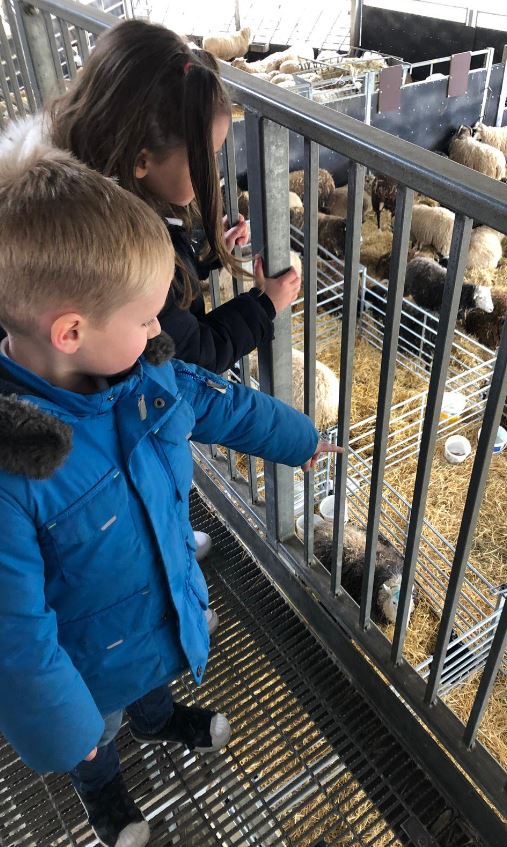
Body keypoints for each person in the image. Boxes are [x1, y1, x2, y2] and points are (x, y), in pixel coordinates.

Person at [0, 134, 338, 847]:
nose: (163, 330)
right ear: (71, 331)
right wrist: (69, 736)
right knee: (100, 734)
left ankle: (158, 715)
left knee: (149, 685)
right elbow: (16, 639)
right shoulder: (13, 471)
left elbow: (222, 404)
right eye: (147, 316)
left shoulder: (144, 375)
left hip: (154, 615)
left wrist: (301, 440)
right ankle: (106, 794)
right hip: (85, 669)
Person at [46, 18, 303, 572]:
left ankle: (173, 536)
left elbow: (171, 266)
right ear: (141, 162)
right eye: (204, 159)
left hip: (120, 420)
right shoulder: (118, 266)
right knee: (149, 496)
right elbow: (195, 351)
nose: (213, 172)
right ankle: (169, 558)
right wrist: (265, 304)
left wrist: (209, 251)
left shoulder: (92, 203)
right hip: (119, 435)